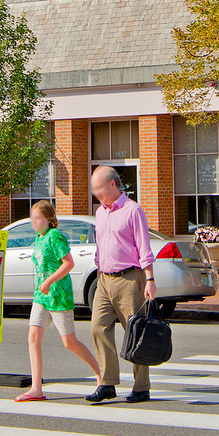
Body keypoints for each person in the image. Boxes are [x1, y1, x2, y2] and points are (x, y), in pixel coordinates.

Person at [15, 200, 102, 402]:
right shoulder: (39, 238)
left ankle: (101, 373)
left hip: (58, 295)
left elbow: (68, 263)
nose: (34, 222)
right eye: (32, 218)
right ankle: (36, 388)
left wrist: (49, 281)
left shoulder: (55, 236)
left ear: (49, 219)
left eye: (38, 218)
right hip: (41, 296)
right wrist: (41, 285)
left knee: (69, 342)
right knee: (33, 337)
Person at [86, 165, 154, 404]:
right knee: (98, 328)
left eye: (99, 188)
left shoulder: (133, 210)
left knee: (134, 333)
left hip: (129, 278)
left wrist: (150, 279)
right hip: (104, 279)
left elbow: (144, 247)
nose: (96, 193)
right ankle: (107, 383)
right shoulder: (100, 213)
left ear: (113, 184)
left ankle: (141, 386)